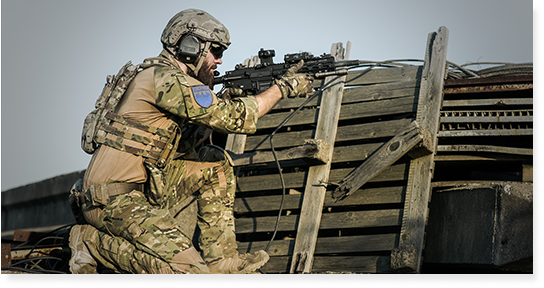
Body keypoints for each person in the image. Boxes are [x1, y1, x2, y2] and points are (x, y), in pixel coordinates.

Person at [68, 8, 313, 274]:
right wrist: (282, 88)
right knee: (189, 272)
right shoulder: (164, 78)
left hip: (141, 191)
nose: (219, 61)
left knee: (214, 163)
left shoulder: (168, 79)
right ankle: (89, 241)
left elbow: (184, 147)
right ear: (191, 47)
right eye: (216, 52)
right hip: (112, 200)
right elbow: (236, 119)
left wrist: (228, 97)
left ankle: (221, 260)